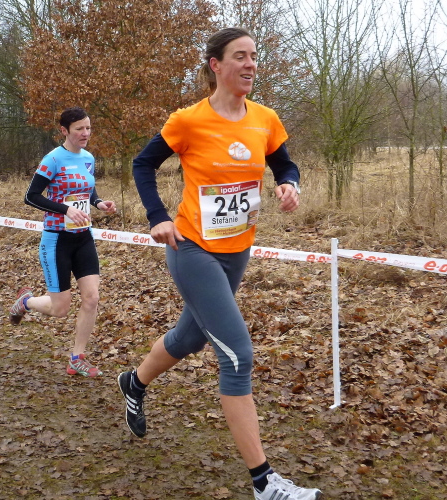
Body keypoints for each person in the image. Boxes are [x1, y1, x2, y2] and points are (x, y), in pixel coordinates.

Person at [118, 28, 320, 500]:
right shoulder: (189, 120)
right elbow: (143, 164)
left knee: (189, 338)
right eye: (240, 56)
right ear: (216, 65)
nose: (250, 64)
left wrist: (289, 184)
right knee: (237, 356)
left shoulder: (265, 119)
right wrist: (157, 216)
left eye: (254, 56)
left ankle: (134, 381)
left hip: (237, 251)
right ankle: (265, 482)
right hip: (191, 248)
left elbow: (284, 164)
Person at [9, 107, 117, 377]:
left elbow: (87, 188)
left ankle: (77, 358)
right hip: (57, 240)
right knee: (60, 309)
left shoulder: (88, 158)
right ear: (64, 131)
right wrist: (65, 209)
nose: (85, 133)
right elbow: (31, 196)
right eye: (79, 129)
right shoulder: (53, 159)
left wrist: (98, 203)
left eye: (88, 128)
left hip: (83, 237)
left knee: (92, 298)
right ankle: (26, 302)